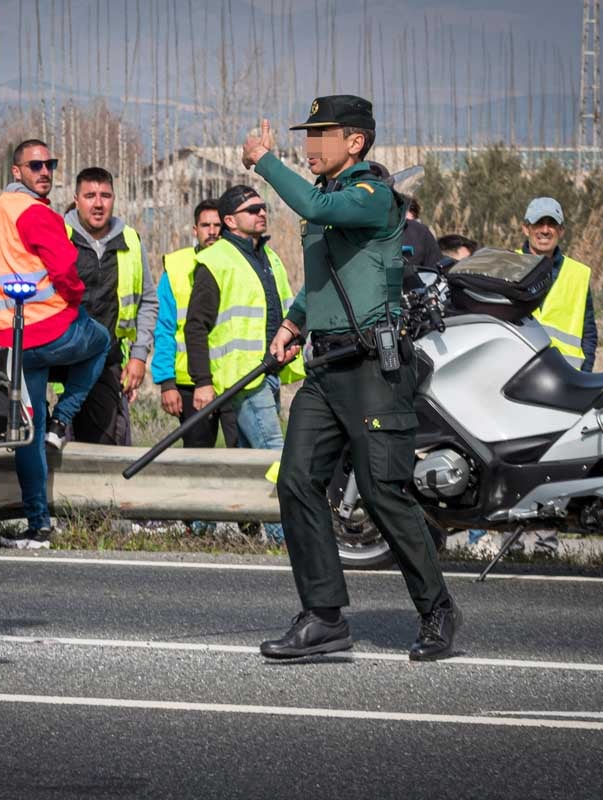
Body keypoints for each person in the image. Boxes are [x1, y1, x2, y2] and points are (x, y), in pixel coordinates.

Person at [246, 95, 460, 661]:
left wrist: (266, 163)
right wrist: (295, 320)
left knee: (384, 495)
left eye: (322, 133)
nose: (310, 144)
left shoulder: (372, 196)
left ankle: (436, 609)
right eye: (307, 133)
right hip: (325, 366)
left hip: (372, 368)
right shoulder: (332, 202)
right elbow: (322, 277)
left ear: (356, 142)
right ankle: (323, 617)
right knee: (296, 482)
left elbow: (316, 210)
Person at [0, 140, 111, 550]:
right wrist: (75, 295)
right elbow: (65, 266)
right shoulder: (36, 211)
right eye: (35, 165)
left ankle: (39, 527)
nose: (44, 171)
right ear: (17, 172)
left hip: (9, 339)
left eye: (49, 164)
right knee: (101, 342)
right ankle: (62, 419)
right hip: (50, 328)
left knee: (24, 436)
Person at [184, 184, 305, 543]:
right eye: (252, 209)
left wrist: (293, 340)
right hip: (241, 377)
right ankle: (284, 536)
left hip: (268, 373)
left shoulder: (270, 258)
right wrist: (202, 381)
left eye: (263, 206)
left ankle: (203, 525)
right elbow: (195, 326)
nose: (261, 213)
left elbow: (281, 310)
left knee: (244, 458)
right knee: (275, 451)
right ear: (230, 220)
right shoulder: (215, 260)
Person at [59, 167, 157, 446]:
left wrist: (138, 356)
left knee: (104, 444)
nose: (98, 203)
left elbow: (148, 301)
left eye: (105, 195)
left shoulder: (130, 240)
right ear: (76, 199)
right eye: (90, 195)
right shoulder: (58, 235)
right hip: (59, 362)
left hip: (108, 362)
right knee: (57, 444)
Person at [151, 199, 239, 448]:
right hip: (189, 382)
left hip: (233, 378)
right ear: (194, 230)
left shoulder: (239, 264)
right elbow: (165, 329)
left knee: (243, 455)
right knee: (197, 458)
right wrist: (166, 383)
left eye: (217, 225)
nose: (212, 231)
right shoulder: (177, 267)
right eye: (205, 225)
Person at [519, 197, 597, 372]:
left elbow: (588, 332)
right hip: (517, 370)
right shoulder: (509, 266)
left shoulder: (579, 274)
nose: (545, 230)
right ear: (526, 228)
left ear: (561, 230)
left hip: (566, 375)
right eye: (538, 223)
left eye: (551, 224)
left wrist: (585, 372)